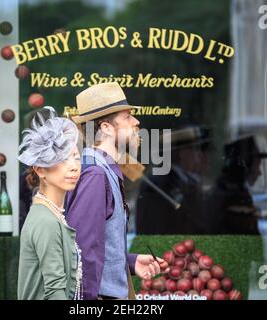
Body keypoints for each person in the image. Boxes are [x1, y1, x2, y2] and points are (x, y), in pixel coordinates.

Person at [65, 82, 167, 300]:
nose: (136, 122)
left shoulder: (101, 169)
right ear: (106, 128)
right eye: (127, 117)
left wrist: (130, 261)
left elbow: (100, 243)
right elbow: (83, 251)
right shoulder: (95, 174)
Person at [17, 106, 83, 300]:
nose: (73, 167)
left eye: (76, 158)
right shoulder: (46, 221)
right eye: (62, 160)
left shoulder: (52, 214)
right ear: (40, 170)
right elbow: (55, 292)